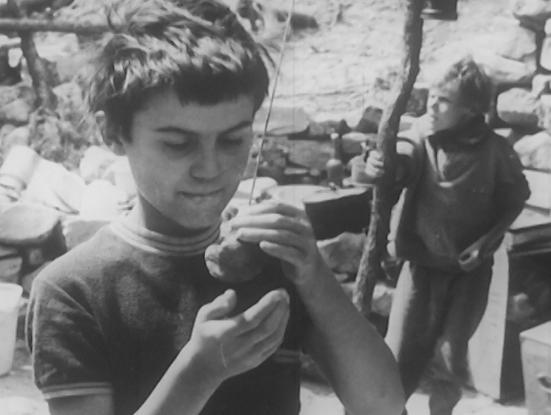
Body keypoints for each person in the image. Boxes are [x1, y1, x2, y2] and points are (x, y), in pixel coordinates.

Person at [26, 1, 404, 415]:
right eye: (178, 144)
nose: (210, 169)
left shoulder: (272, 262)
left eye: (232, 140)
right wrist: (199, 373)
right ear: (113, 133)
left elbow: (383, 404)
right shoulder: (73, 290)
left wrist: (316, 276)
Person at [363, 56, 530, 415]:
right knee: (399, 355)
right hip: (420, 268)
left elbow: (516, 199)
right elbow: (401, 160)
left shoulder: (496, 152)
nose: (432, 106)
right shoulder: (421, 136)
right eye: (432, 97)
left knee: (450, 359)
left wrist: (486, 243)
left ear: (470, 110)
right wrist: (379, 165)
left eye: (444, 101)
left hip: (469, 275)